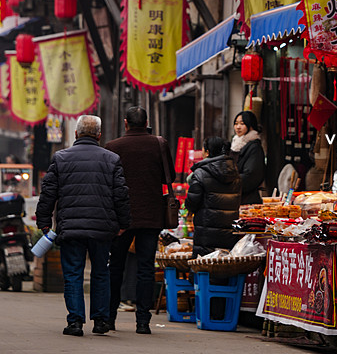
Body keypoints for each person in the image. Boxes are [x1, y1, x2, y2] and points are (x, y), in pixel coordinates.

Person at [36, 115, 131, 338]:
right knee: (101, 273)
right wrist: (123, 223)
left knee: (73, 274)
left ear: (76, 134)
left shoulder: (60, 157)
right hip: (102, 228)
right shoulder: (112, 159)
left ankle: (75, 322)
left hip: (71, 228)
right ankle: (100, 321)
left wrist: (44, 222)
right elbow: (121, 195)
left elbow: (48, 193)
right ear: (99, 135)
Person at [105, 106, 175, 335]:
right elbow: (169, 177)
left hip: (120, 218)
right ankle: (143, 322)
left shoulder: (113, 148)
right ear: (146, 122)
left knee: (116, 268)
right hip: (151, 216)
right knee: (145, 268)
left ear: (126, 123)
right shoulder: (159, 144)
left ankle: (109, 318)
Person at [185, 136, 241, 257]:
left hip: (206, 234)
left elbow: (191, 203)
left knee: (204, 268)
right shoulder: (235, 173)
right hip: (229, 232)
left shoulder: (200, 173)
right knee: (224, 266)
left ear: (208, 152)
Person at [231, 111, 265, 205]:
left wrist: (230, 183)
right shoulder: (234, 144)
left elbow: (251, 175)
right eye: (236, 123)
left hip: (248, 200)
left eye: (242, 124)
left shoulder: (254, 147)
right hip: (235, 196)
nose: (238, 127)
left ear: (250, 125)